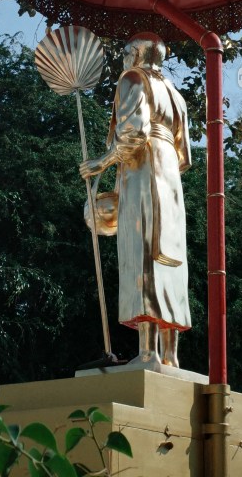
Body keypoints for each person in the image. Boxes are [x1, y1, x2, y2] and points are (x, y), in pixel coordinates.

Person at [79, 32, 191, 368]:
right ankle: (171, 356)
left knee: (142, 253)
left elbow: (135, 132)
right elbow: (184, 155)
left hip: (142, 169)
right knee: (169, 256)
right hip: (170, 175)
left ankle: (147, 353)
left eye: (127, 53)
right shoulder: (176, 95)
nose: (124, 60)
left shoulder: (132, 79)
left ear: (136, 54)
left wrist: (104, 160)